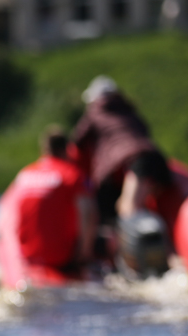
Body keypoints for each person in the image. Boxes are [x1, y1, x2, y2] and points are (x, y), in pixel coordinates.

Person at [71, 76, 173, 233]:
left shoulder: (94, 112)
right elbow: (145, 131)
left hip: (132, 161)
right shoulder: (129, 110)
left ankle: (140, 244)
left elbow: (77, 140)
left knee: (127, 208)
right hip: (154, 158)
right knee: (129, 204)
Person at [0, 125, 96, 279]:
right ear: (67, 150)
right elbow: (88, 214)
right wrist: (83, 254)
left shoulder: (24, 174)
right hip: (60, 260)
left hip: (26, 258)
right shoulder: (73, 175)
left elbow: (2, 214)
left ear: (43, 150)